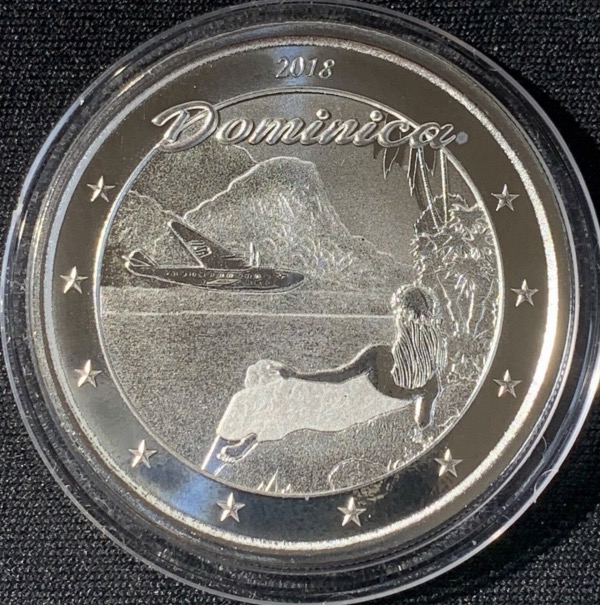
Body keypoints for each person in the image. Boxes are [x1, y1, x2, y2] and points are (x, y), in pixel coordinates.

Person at [279, 285, 446, 429]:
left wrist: (298, 375)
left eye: (398, 314)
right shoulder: (430, 381)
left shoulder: (378, 355)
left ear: (402, 318)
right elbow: (422, 423)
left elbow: (340, 376)